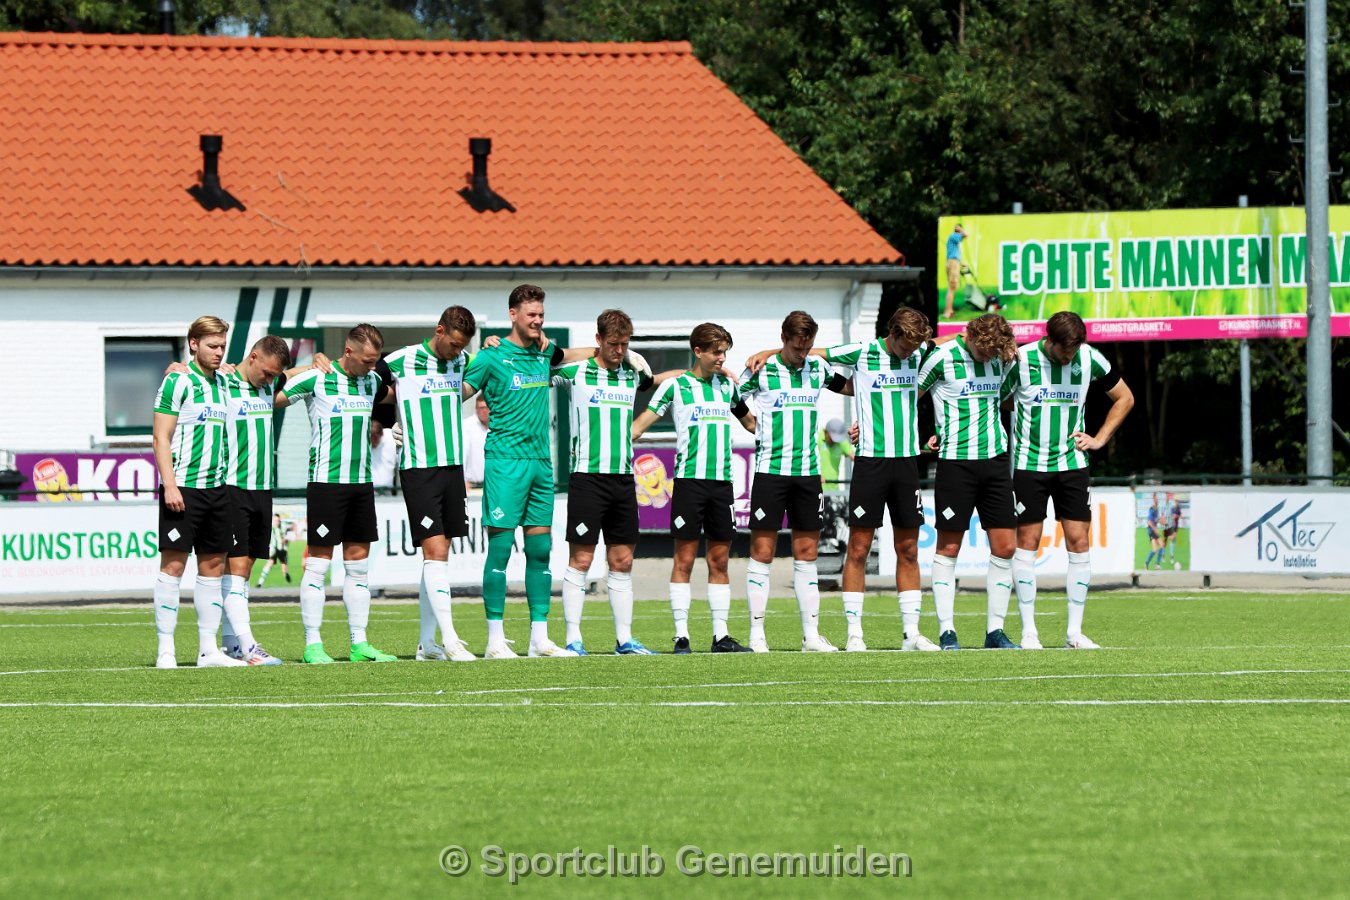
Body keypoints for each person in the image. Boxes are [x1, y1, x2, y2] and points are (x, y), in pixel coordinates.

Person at [745, 307, 945, 652]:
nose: (909, 354)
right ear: (893, 334)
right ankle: (854, 634)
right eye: (905, 347)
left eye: (915, 348)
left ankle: (911, 634)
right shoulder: (861, 351)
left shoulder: (918, 350)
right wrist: (767, 351)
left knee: (909, 549)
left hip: (906, 463)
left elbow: (952, 340)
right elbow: (813, 352)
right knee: (859, 548)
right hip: (869, 463)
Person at [462, 284, 592, 658]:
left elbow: (575, 354)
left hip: (541, 464)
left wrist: (619, 352)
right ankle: (494, 641)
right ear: (513, 315)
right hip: (505, 463)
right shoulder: (490, 357)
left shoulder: (545, 352)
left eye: (541, 315)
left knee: (540, 550)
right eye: (531, 314)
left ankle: (540, 639)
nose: (537, 320)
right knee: (501, 549)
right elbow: (455, 392)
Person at [1002, 311, 1134, 650]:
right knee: (1027, 542)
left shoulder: (1089, 358)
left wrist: (1099, 439)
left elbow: (1125, 397)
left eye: (1074, 351)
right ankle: (1029, 632)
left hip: (1073, 465)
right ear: (1049, 340)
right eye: (1065, 351)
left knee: (1079, 542)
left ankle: (1074, 633)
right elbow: (994, 398)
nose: (1070, 357)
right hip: (1029, 465)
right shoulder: (1022, 360)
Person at [633, 323, 757, 654]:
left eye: (725, 352)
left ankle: (721, 637)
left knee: (720, 561)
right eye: (717, 352)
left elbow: (751, 423)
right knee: (684, 559)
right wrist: (610, 440)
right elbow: (641, 424)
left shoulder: (727, 387)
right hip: (689, 483)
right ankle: (681, 637)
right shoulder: (675, 387)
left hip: (722, 485)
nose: (722, 358)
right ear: (698, 351)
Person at [276, 323, 397, 664]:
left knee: (358, 569)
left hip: (361, 485)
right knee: (317, 566)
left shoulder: (371, 381)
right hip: (326, 485)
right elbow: (271, 392)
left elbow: (403, 393)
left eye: (376, 361)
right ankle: (313, 645)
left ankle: (360, 644)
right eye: (367, 360)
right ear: (348, 352)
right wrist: (307, 364)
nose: (373, 367)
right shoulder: (318, 378)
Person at [735, 311, 850, 653]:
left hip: (808, 475)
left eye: (807, 346)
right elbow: (730, 395)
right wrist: (752, 424)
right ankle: (757, 635)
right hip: (770, 472)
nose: (802, 352)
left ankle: (811, 636)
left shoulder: (818, 368)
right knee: (762, 552)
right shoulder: (762, 369)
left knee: (807, 553)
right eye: (797, 346)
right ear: (783, 338)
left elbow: (851, 387)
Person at [553, 309, 661, 655]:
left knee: (622, 561)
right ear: (598, 340)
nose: (619, 350)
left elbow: (660, 380)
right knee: (582, 561)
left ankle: (624, 640)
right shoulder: (576, 372)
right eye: (613, 343)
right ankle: (573, 639)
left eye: (625, 344)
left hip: (623, 480)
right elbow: (537, 366)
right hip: (587, 477)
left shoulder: (631, 373)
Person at [381, 305, 483, 662]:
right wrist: (392, 414)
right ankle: (451, 640)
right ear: (439, 331)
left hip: (453, 468)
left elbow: (487, 369)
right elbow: (363, 378)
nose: (457, 352)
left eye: (462, 347)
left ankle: (427, 643)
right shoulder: (401, 359)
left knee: (439, 556)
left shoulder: (463, 360)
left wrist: (492, 348)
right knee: (436, 552)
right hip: (420, 468)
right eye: (453, 344)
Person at [916, 312, 1020, 650]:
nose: (989, 358)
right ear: (970, 337)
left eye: (994, 353)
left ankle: (995, 632)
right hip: (956, 465)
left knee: (1005, 547)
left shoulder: (1000, 357)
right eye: (984, 351)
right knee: (948, 548)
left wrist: (1010, 351)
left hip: (995, 462)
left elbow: (1005, 394)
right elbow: (905, 398)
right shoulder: (941, 359)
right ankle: (947, 631)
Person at [149, 315, 244, 668]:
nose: (219, 352)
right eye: (212, 346)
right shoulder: (178, 380)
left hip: (217, 489)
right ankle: (166, 650)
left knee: (213, 566)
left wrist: (316, 361)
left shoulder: (225, 382)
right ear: (193, 344)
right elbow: (160, 437)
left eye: (222, 346)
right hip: (183, 488)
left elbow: (267, 370)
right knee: (174, 565)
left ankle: (208, 650)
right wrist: (170, 484)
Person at [215, 334, 302, 666]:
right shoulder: (222, 382)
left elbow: (289, 376)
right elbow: (189, 378)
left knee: (244, 571)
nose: (270, 380)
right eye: (266, 373)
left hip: (263, 488)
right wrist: (177, 366)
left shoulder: (269, 384)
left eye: (273, 375)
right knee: (236, 569)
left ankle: (231, 644)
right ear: (252, 357)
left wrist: (319, 363)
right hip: (233, 485)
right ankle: (249, 647)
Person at [461, 394, 490, 489]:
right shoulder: (466, 426)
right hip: (472, 485)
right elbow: (463, 454)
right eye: (481, 408)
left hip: (493, 484)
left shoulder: (498, 426)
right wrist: (462, 480)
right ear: (476, 409)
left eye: (486, 407)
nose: (484, 411)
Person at [817, 418, 854, 489]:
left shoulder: (841, 441)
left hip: (834, 489)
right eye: (832, 438)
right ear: (826, 432)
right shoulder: (817, 437)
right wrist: (815, 476)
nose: (834, 441)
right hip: (817, 488)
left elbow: (854, 457)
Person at [255, 513, 291, 586]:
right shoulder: (270, 527)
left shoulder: (283, 527)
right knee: (269, 563)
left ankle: (286, 576)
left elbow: (286, 538)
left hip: (281, 549)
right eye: (275, 520)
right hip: (273, 549)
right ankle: (260, 582)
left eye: (278, 520)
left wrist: (285, 541)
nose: (277, 522)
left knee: (284, 565)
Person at [943, 224, 966, 320]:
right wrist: (961, 229)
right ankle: (947, 312)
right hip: (953, 263)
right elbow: (965, 234)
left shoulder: (952, 239)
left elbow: (953, 254)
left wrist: (961, 264)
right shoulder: (954, 236)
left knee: (952, 287)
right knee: (952, 287)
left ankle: (950, 310)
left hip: (952, 262)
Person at [369, 420, 397, 490]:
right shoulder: (363, 442)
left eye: (375, 439)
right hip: (369, 490)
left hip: (388, 490)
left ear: (381, 435)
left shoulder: (391, 437)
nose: (372, 442)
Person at [1144, 493, 1164, 569]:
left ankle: (1155, 564)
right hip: (1151, 531)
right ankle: (1150, 564)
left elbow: (1157, 520)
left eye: (1157, 498)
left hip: (1154, 530)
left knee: (1160, 546)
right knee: (1156, 548)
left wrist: (1162, 521)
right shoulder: (1151, 509)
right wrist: (1155, 529)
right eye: (1155, 498)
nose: (1157, 500)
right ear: (1153, 499)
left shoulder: (1157, 509)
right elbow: (1149, 522)